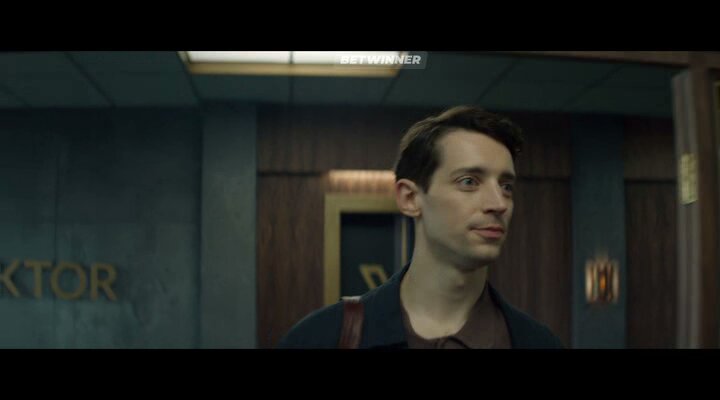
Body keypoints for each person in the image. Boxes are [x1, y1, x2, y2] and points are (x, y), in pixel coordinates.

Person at [278, 105, 563, 349]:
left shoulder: (537, 342)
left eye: (506, 186)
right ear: (410, 198)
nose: (498, 203)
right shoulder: (320, 337)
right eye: (469, 182)